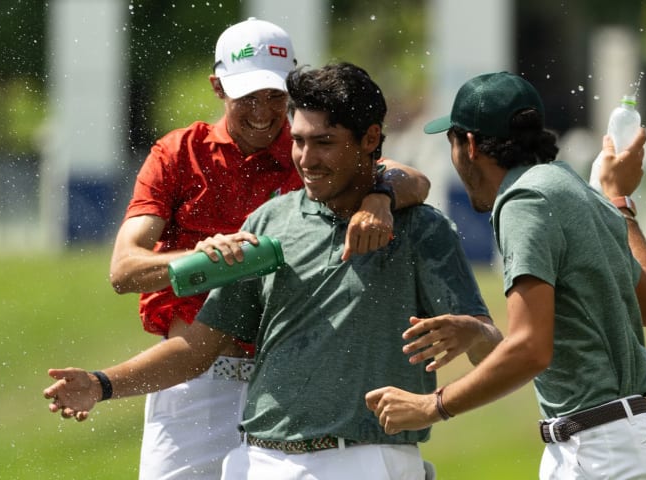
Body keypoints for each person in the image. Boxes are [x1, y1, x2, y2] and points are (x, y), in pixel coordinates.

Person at [45, 62, 502, 480]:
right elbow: (197, 350)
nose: (305, 158)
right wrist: (102, 385)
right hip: (261, 460)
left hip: (367, 458)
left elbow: (495, 351)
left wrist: (474, 337)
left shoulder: (421, 229)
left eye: (324, 142)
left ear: (369, 140)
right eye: (299, 141)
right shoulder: (268, 222)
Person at [107, 18, 431, 479]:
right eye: (248, 98)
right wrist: (205, 258)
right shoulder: (179, 153)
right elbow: (124, 269)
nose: (263, 112)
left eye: (276, 96)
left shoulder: (308, 149)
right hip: (192, 383)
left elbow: (414, 179)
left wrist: (380, 195)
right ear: (218, 87)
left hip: (292, 382)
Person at [366, 72, 646, 479]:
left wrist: (432, 406)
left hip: (603, 451)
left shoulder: (523, 200)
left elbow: (532, 349)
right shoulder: (578, 189)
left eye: (452, 143)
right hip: (618, 441)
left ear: (471, 145)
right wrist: (618, 199)